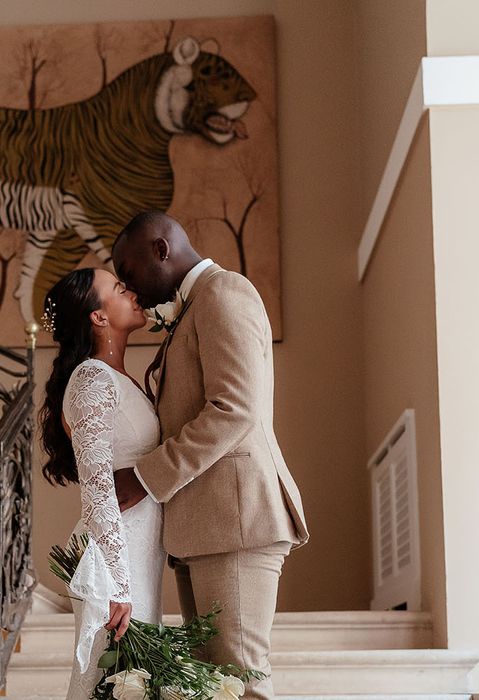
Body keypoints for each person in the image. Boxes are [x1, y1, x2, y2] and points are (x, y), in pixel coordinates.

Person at [111, 210, 309, 699]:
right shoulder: (195, 306)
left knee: (240, 684)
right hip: (207, 526)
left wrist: (144, 477)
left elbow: (234, 409)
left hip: (236, 520)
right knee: (210, 686)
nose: (129, 290)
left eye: (129, 273)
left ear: (161, 249)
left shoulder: (225, 292)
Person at [38, 267, 166, 699]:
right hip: (115, 562)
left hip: (139, 552)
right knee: (110, 686)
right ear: (98, 316)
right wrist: (118, 583)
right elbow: (96, 485)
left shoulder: (120, 379)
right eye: (118, 287)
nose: (131, 291)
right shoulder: (92, 379)